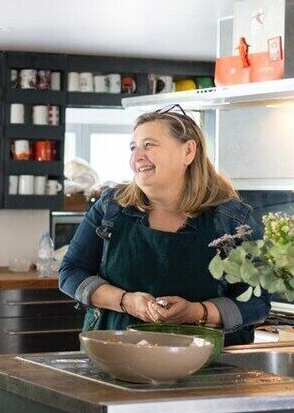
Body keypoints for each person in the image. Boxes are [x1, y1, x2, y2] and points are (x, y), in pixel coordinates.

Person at [59, 105, 269, 344]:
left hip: (206, 369)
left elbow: (257, 303)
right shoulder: (111, 208)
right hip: (115, 358)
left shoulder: (232, 220)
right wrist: (127, 301)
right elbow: (71, 272)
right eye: (133, 147)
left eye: (149, 145)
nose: (137, 157)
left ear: (188, 152)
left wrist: (197, 312)